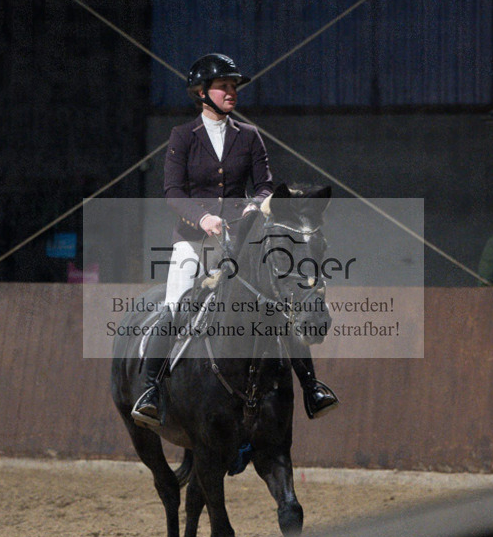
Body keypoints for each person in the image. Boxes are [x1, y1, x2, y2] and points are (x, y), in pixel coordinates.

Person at [131, 52, 339, 427]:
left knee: (278, 304)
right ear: (201, 93)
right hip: (193, 240)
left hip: (241, 240)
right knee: (177, 305)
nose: (231, 92)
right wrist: (203, 217)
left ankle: (312, 387)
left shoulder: (250, 136)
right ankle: (151, 390)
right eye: (223, 87)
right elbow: (173, 193)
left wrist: (255, 208)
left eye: (233, 87)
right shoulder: (183, 137)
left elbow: (263, 186)